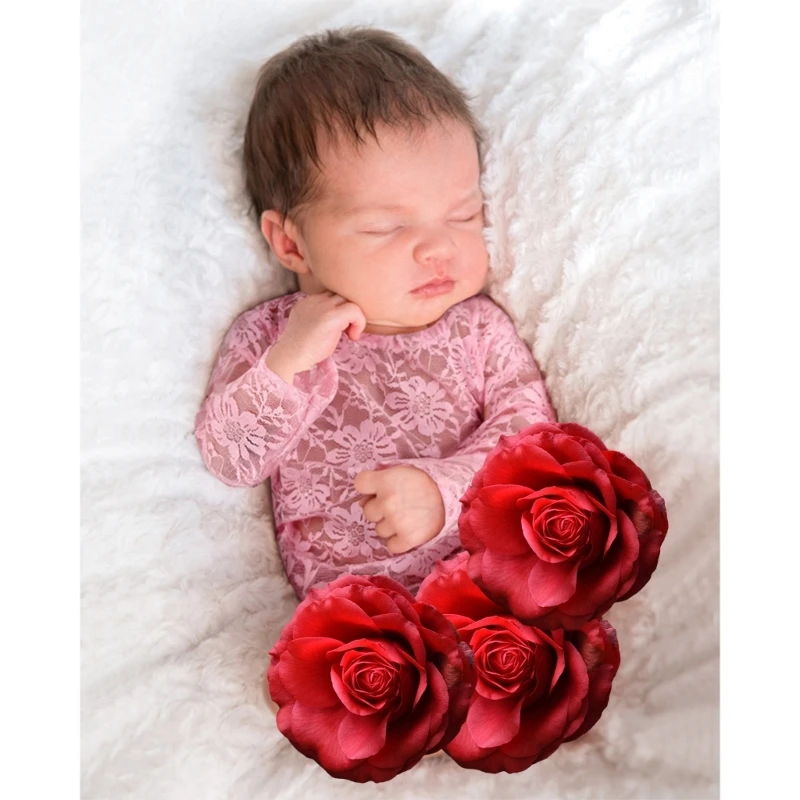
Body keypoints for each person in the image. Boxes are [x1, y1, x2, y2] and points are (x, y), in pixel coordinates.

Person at [194, 27, 556, 598]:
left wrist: (444, 490)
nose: (439, 248)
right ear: (290, 244)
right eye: (388, 226)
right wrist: (286, 364)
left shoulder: (477, 329)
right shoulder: (270, 336)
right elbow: (229, 460)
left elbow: (532, 437)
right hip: (351, 620)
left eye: (463, 216)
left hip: (483, 589)